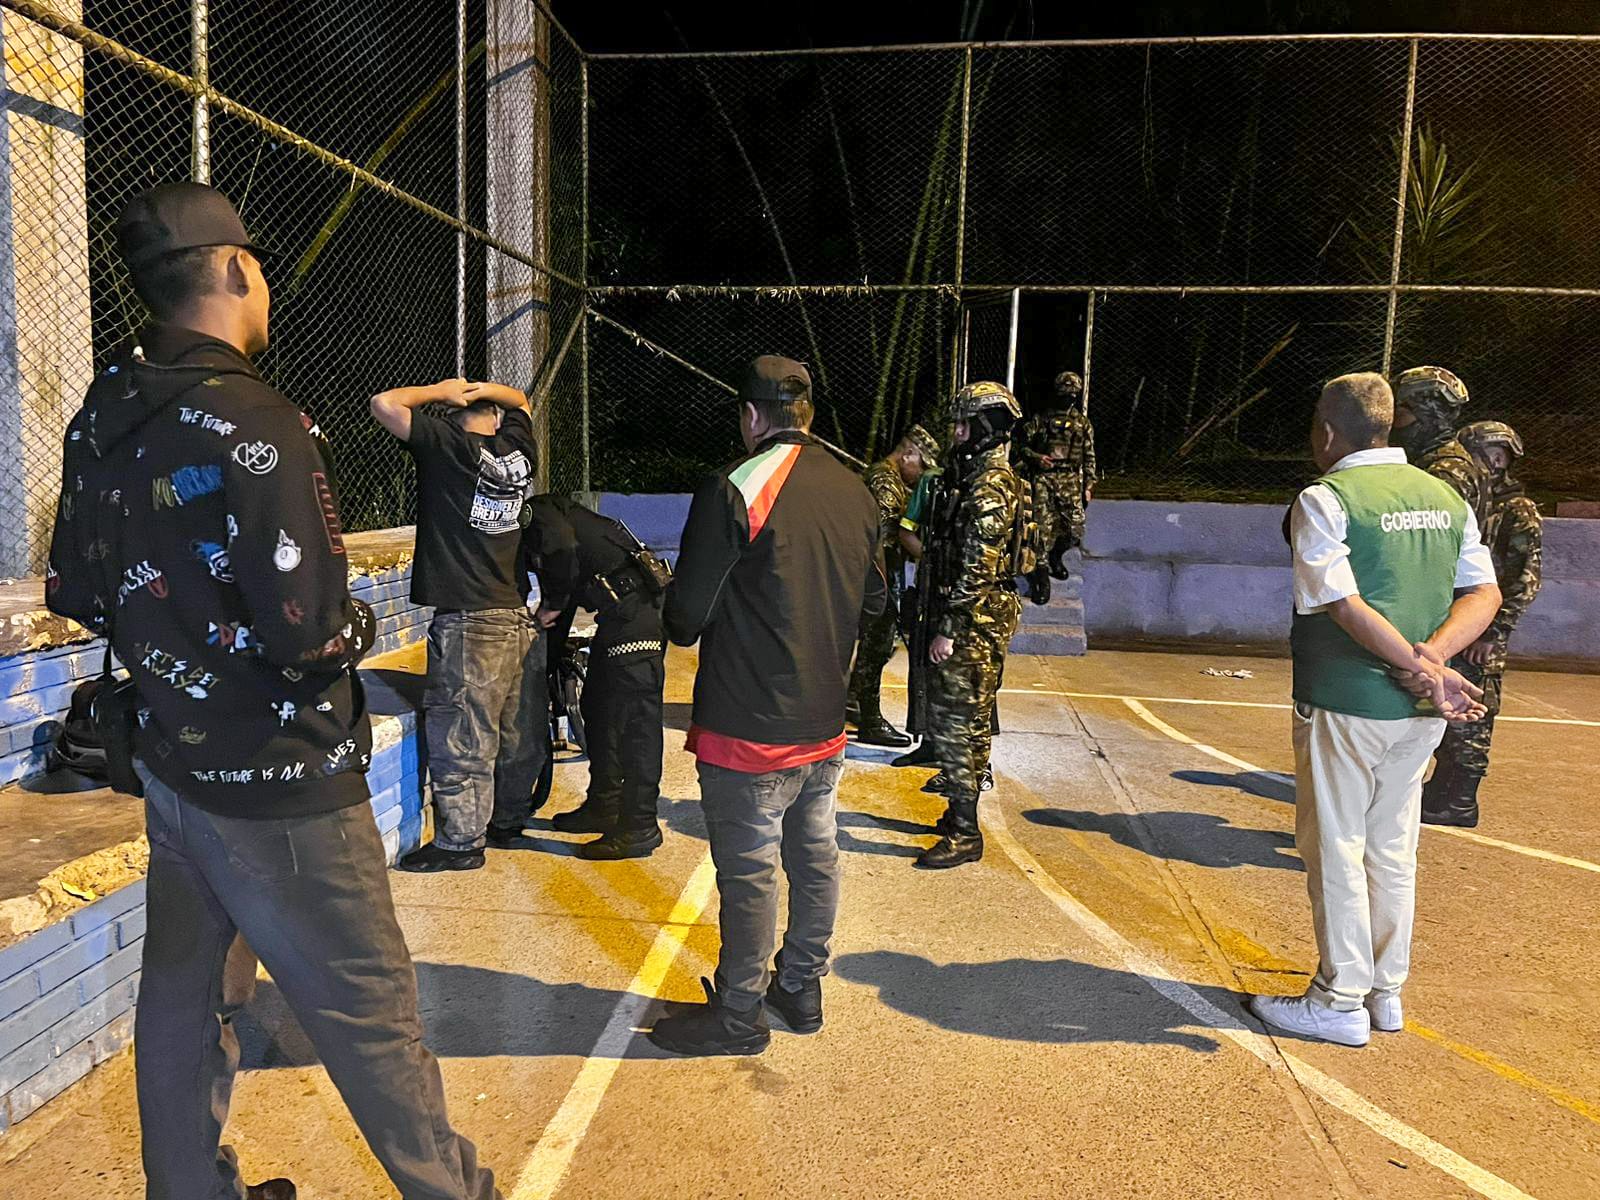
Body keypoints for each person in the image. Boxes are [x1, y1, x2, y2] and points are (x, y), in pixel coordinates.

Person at [47, 183, 498, 1199]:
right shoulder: (260, 420)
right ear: (234, 268)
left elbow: (74, 590)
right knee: (371, 1017)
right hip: (285, 779)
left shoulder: (101, 416)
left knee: (183, 998)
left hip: (173, 765)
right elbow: (307, 631)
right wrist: (357, 627)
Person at [1251, 372, 1499, 1049]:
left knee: (1335, 846)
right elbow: (1484, 593)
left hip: (1346, 699)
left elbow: (1342, 604)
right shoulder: (1444, 496)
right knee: (1391, 848)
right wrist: (1435, 661)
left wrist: (1420, 665)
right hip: (1419, 709)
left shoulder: (1326, 499)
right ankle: (1385, 991)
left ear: (1328, 432)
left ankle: (1338, 1000)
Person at [647, 355, 884, 1056]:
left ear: (751, 415)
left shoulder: (735, 485)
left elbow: (686, 618)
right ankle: (800, 988)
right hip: (823, 718)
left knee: (750, 872)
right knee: (815, 857)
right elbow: (877, 602)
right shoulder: (855, 490)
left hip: (748, 721)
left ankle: (738, 1013)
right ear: (806, 414)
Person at [370, 375, 545, 873]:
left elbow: (385, 401)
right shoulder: (518, 451)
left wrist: (442, 390)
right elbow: (521, 401)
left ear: (457, 419)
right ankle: (507, 818)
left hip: (470, 618)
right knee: (514, 729)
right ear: (495, 419)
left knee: (464, 733)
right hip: (515, 611)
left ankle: (461, 843)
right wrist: (482, 389)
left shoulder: (449, 446)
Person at [511, 494, 668, 858]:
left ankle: (640, 825)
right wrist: (547, 657)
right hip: (620, 616)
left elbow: (562, 559)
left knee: (635, 724)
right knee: (598, 710)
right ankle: (604, 805)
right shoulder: (563, 518)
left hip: (636, 617)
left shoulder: (539, 513)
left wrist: (549, 607)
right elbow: (566, 589)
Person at [915, 381, 1027, 870]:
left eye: (965, 424)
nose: (957, 433)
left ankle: (965, 832)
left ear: (988, 426)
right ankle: (959, 813)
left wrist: (951, 627)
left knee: (958, 723)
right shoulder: (975, 477)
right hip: (973, 616)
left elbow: (977, 566)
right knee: (966, 721)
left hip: (972, 622)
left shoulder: (990, 485)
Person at [1423, 420, 1543, 827]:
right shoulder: (1472, 500)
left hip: (1483, 632)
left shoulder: (1516, 510)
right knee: (1446, 710)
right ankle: (1441, 790)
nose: (1493, 463)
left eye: (1501, 456)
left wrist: (1494, 632)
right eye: (1487, 454)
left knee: (1474, 713)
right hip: (1460, 622)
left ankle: (1459, 801)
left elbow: (1525, 578)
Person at [847, 424, 940, 748]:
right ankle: (870, 720)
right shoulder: (886, 482)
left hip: (875, 575)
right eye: (921, 466)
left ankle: (855, 701)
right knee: (877, 645)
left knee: (880, 646)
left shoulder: (888, 478)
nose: (920, 475)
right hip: (877, 576)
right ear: (908, 454)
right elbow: (882, 541)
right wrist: (884, 593)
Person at [1019, 369, 1097, 589]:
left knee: (1074, 529)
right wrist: (1037, 458)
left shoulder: (1082, 423)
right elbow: (1022, 447)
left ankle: (1056, 555)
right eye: (1065, 393)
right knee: (1042, 528)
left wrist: (1088, 485)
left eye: (1072, 394)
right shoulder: (1042, 420)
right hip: (1045, 478)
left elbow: (1089, 456)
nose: (1069, 398)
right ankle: (1041, 570)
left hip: (1070, 480)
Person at [1391, 365, 1493, 532]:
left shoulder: (1447, 471)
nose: (1394, 423)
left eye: (1401, 414)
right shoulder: (1429, 459)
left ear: (1429, 419)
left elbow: (1431, 537)